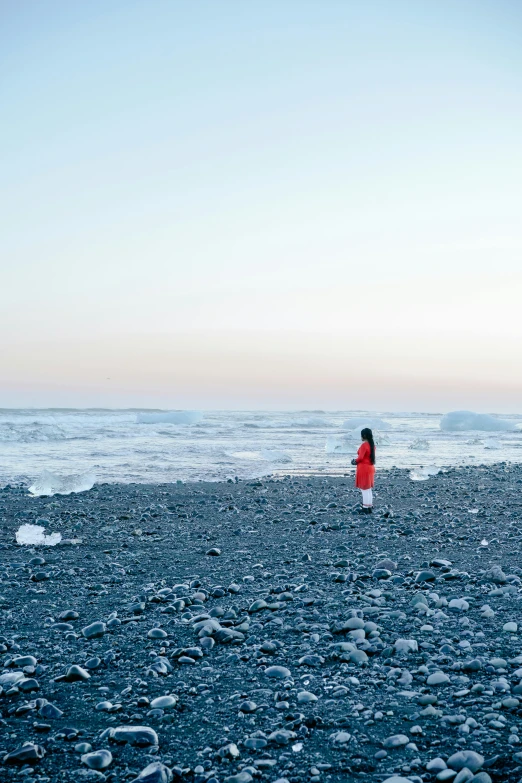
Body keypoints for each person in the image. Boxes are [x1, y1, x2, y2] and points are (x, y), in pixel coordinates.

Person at [351, 427, 376, 513]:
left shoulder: (364, 445)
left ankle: (365, 507)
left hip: (364, 468)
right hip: (370, 467)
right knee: (368, 489)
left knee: (364, 489)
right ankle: (369, 506)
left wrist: (354, 461)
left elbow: (360, 458)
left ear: (364, 435)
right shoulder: (372, 445)